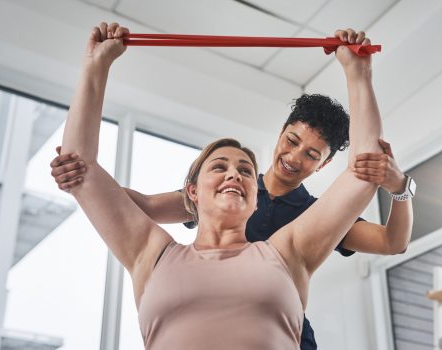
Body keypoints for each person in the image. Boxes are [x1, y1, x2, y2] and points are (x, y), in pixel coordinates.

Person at [51, 37, 414, 350]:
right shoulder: (153, 252)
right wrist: (95, 66)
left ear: (254, 198)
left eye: (243, 170)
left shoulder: (293, 245)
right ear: (192, 193)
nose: (233, 175)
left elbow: (365, 175)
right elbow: (94, 178)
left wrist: (358, 72)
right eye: (219, 167)